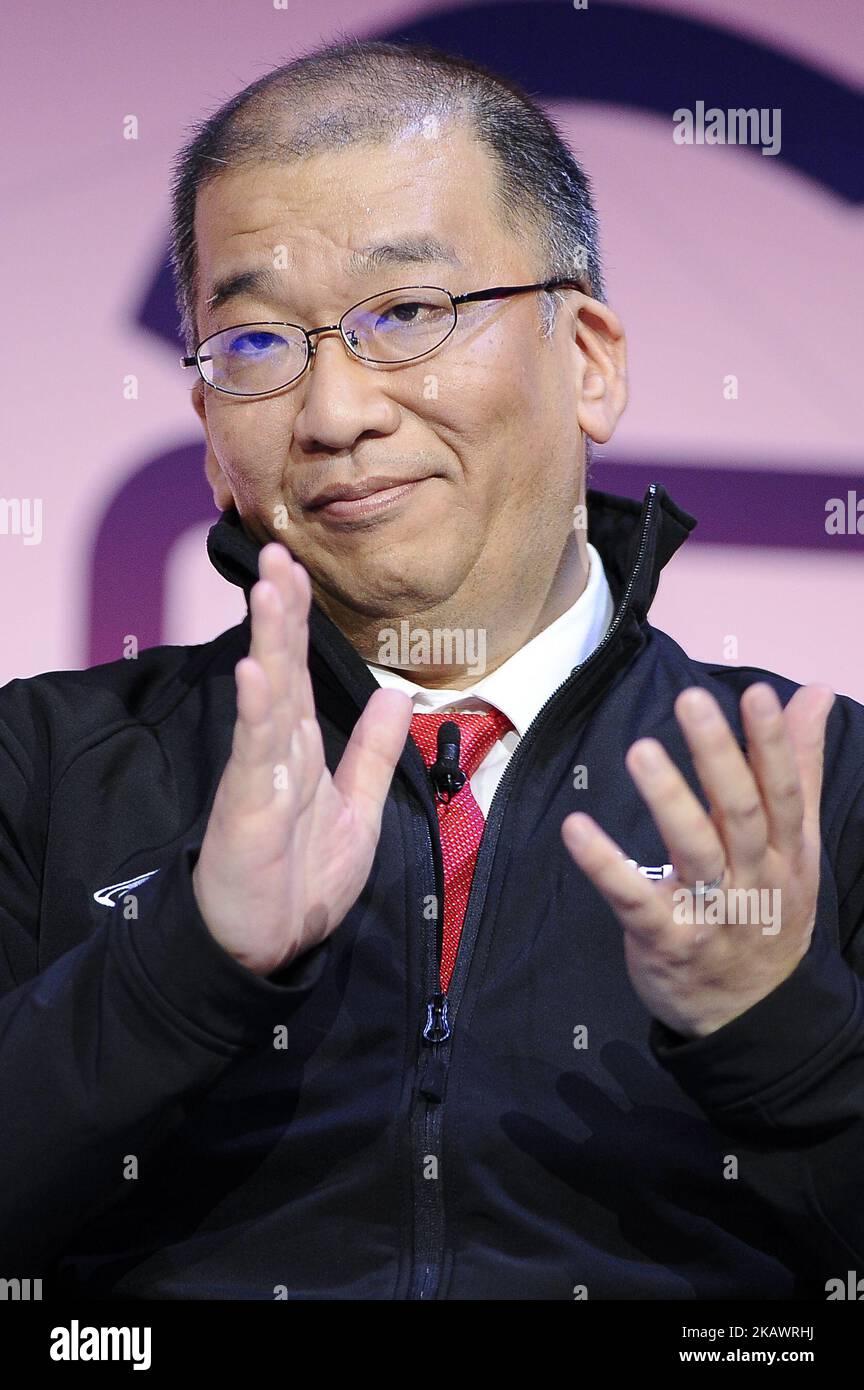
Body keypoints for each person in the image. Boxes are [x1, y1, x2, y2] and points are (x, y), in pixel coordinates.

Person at [2, 36, 862, 1301]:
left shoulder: (821, 793)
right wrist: (179, 970)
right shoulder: (46, 769)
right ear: (204, 429)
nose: (335, 411)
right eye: (253, 345)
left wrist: (784, 1043)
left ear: (589, 361)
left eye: (404, 315)